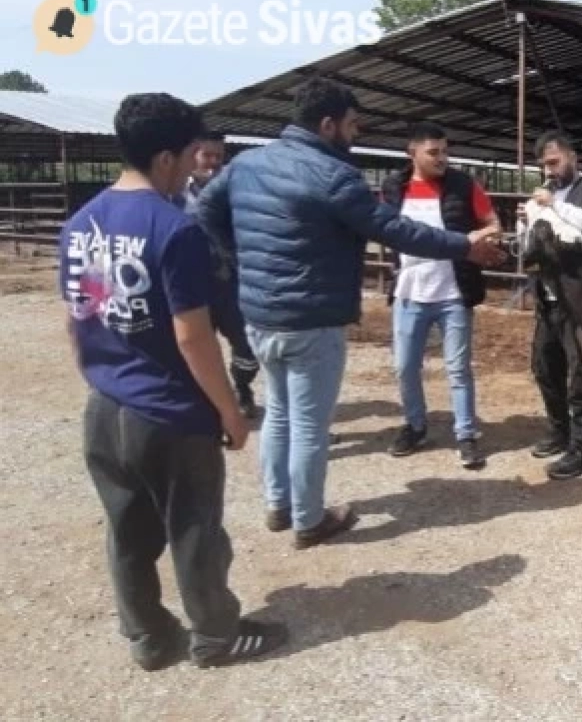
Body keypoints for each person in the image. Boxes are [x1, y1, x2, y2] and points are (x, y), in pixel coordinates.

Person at [196, 77, 505, 548]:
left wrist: (244, 262)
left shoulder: (246, 164)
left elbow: (204, 213)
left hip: (259, 315)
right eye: (352, 124)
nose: (355, 134)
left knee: (277, 412)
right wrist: (464, 246)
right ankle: (309, 519)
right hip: (311, 318)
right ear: (327, 125)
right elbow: (396, 231)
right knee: (310, 424)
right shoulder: (333, 176)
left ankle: (278, 505)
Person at [58, 93, 287, 670]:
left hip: (107, 405)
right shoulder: (175, 230)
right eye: (190, 155)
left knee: (128, 531)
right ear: (166, 157)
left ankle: (150, 638)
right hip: (169, 413)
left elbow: (78, 316)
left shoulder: (80, 223)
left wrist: (97, 373)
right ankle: (216, 636)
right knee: (194, 531)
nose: (194, 165)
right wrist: (229, 412)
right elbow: (194, 337)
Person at [380, 122, 499, 469]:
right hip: (409, 292)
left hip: (453, 292)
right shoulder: (394, 187)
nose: (442, 158)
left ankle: (466, 434)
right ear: (412, 153)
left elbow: (493, 224)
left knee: (458, 368)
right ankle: (415, 425)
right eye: (434, 152)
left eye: (445, 151)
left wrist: (479, 240)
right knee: (405, 367)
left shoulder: (464, 185)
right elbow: (383, 228)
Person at [521, 131, 582, 479]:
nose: (549, 169)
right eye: (544, 164)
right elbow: (531, 249)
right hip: (548, 298)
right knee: (545, 367)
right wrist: (525, 224)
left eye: (555, 161)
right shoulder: (541, 197)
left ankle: (581, 450)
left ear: (573, 157)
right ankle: (559, 432)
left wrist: (554, 205)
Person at [172, 130, 259, 419]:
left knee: (247, 347)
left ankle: (243, 388)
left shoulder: (236, 191)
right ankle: (207, 401)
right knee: (196, 344)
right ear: (193, 154)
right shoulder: (173, 194)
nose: (213, 162)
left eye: (219, 157)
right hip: (191, 285)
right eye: (207, 155)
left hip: (230, 282)